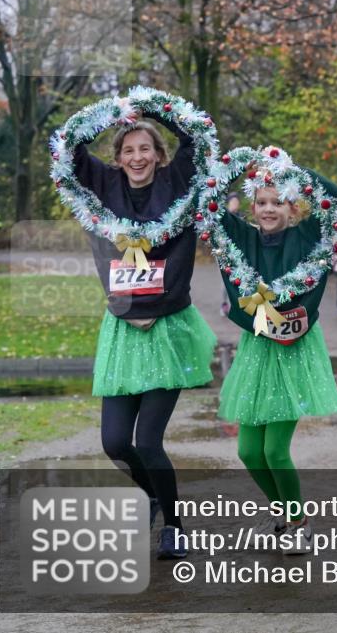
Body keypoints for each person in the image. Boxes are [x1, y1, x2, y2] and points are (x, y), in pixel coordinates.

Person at [68, 111, 217, 560]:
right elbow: (69, 148)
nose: (137, 157)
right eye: (128, 149)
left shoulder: (176, 182)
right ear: (117, 158)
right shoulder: (104, 186)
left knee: (149, 441)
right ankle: (150, 494)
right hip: (122, 328)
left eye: (145, 148)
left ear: (159, 154)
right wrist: (115, 114)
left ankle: (174, 526)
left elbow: (199, 137)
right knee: (114, 442)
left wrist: (149, 108)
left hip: (167, 328)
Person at [216, 161, 337, 554]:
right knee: (248, 451)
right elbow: (207, 206)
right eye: (262, 202)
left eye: (278, 202)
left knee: (274, 450)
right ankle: (288, 515)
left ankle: (298, 522)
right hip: (258, 346)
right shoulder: (242, 238)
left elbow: (335, 200)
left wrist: (291, 167)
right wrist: (231, 165)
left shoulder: (307, 235)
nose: (269, 209)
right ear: (251, 207)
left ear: (293, 208)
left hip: (293, 347)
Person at [220, 192, 242, 317]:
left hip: (239, 253)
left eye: (237, 201)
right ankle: (224, 304)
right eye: (233, 201)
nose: (235, 203)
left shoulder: (241, 216)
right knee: (226, 281)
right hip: (226, 253)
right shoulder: (224, 216)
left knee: (239, 280)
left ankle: (237, 306)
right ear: (229, 203)